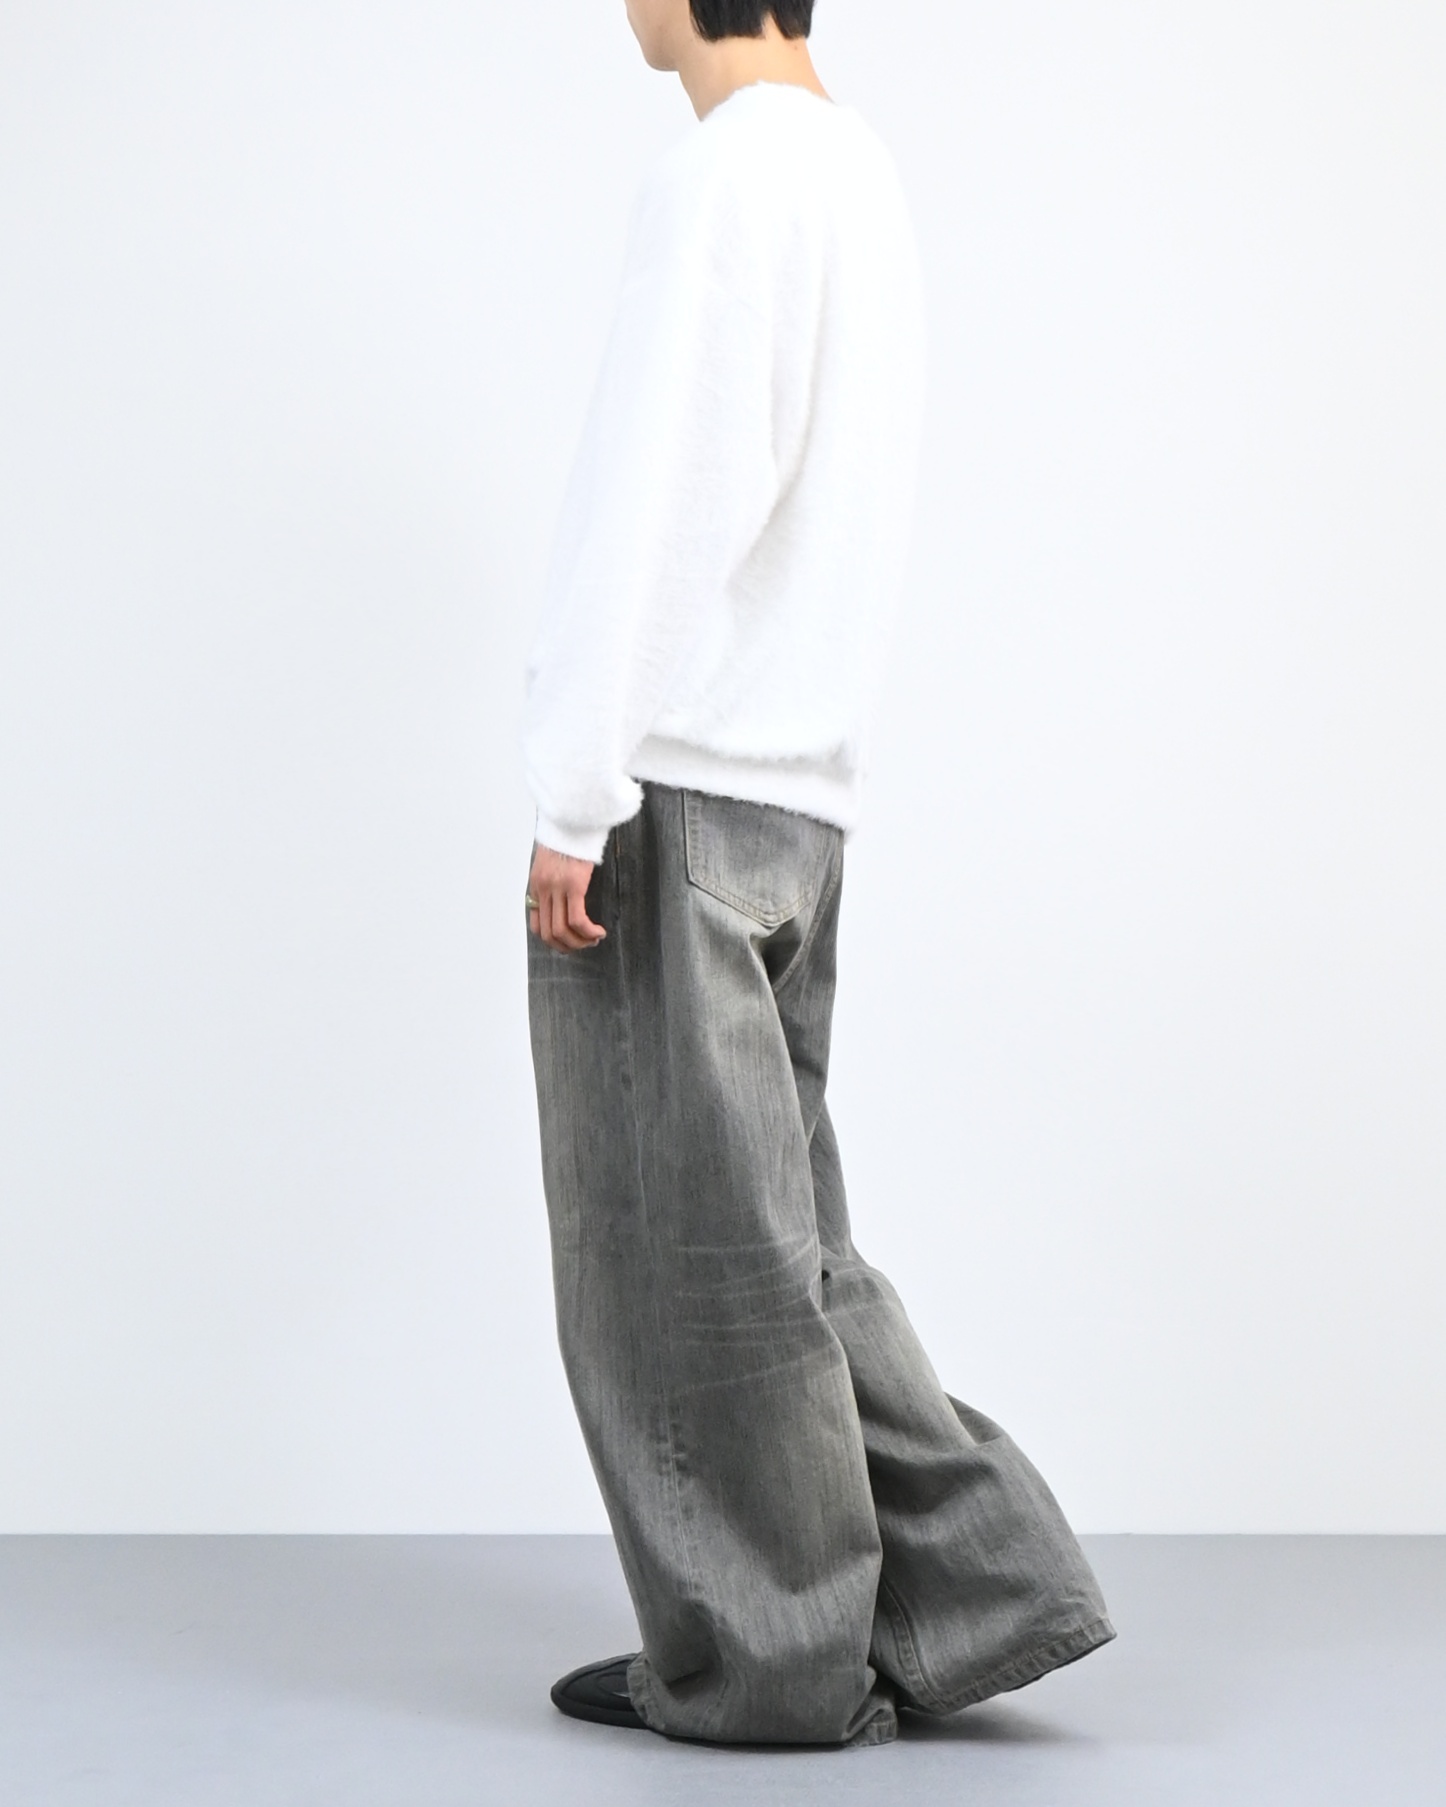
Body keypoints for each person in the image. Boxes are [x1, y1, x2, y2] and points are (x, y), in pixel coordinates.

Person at [521, 0, 1115, 1750]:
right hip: (801, 800)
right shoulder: (858, 170)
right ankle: (972, 1593)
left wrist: (572, 789)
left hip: (679, 789)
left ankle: (765, 1664)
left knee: (673, 1259)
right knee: (784, 1246)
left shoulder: (723, 176)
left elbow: (662, 495)